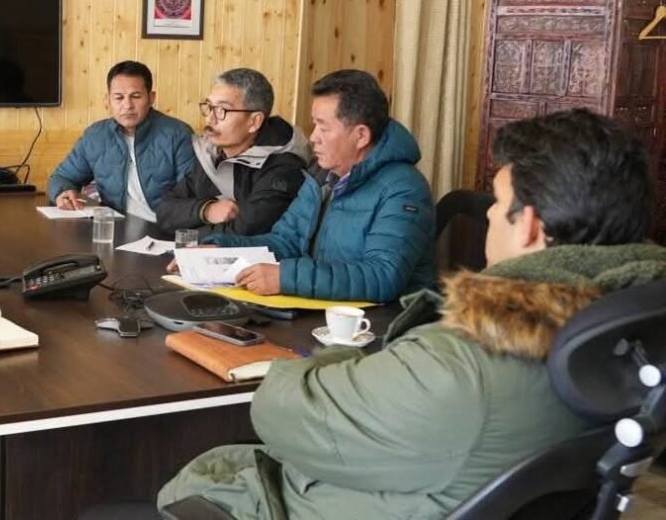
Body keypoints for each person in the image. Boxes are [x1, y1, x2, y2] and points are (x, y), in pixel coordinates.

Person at [158, 108, 666, 519]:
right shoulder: (632, 340)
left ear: (529, 227)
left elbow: (284, 413)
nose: (488, 211)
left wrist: (319, 362)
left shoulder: (464, 363)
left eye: (499, 199)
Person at [203, 69, 435, 303]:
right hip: (320, 312)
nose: (313, 137)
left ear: (361, 136)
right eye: (314, 125)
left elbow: (382, 277)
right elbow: (284, 242)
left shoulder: (404, 189)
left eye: (323, 128)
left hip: (378, 325)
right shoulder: (322, 175)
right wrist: (222, 250)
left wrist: (286, 277)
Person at [155, 68, 310, 237]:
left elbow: (245, 232)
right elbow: (165, 211)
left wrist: (188, 232)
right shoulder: (212, 153)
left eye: (222, 110)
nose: (209, 119)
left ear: (254, 122)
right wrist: (206, 211)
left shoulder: (284, 167)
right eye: (209, 107)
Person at [48, 60, 195, 221]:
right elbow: (62, 177)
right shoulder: (96, 136)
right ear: (107, 100)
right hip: (117, 227)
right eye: (119, 97)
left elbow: (192, 196)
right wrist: (63, 192)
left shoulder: (178, 134)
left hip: (166, 230)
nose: (127, 105)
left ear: (151, 98)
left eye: (136, 96)